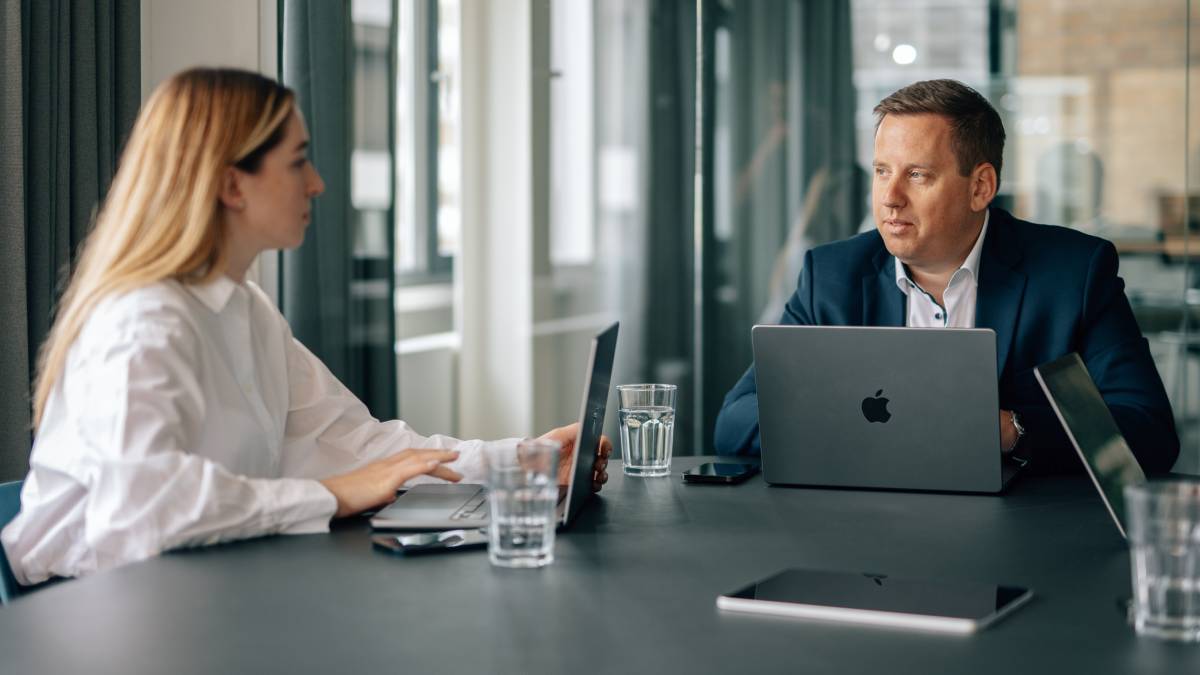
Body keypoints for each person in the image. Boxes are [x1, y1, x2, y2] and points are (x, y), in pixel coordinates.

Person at [1, 68, 611, 585]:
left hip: (197, 592)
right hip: (90, 618)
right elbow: (140, 512)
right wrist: (335, 494)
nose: (317, 183)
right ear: (230, 183)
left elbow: (363, 446)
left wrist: (517, 460)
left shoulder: (248, 311)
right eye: (297, 162)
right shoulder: (143, 324)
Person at [714, 79, 1179, 475]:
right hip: (859, 533)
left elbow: (1148, 433)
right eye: (881, 172)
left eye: (917, 175)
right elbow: (735, 421)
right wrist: (858, 424)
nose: (890, 198)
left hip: (1019, 538)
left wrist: (1010, 429)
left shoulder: (1073, 273)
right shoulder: (831, 275)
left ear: (980, 187)